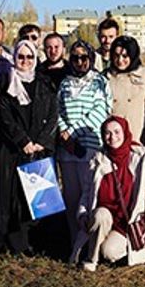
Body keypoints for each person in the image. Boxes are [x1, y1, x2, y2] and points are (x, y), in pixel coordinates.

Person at [0, 39, 58, 254]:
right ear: (14, 58)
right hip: (13, 149)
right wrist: (23, 141)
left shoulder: (45, 84)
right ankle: (11, 242)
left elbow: (53, 115)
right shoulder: (6, 84)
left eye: (30, 57)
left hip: (38, 150)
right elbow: (4, 116)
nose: (25, 61)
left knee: (38, 199)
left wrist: (40, 142)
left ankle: (36, 242)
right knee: (11, 198)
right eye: (20, 56)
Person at [78, 116, 145, 271]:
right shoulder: (98, 159)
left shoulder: (140, 160)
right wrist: (82, 213)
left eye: (117, 132)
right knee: (100, 214)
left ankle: (103, 247)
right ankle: (91, 260)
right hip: (103, 218)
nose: (112, 137)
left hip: (126, 223)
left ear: (125, 132)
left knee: (109, 252)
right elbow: (87, 191)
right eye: (107, 133)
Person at [56, 39, 113, 261]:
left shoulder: (99, 81)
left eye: (84, 57)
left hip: (90, 146)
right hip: (67, 150)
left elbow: (100, 111)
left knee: (88, 198)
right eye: (75, 58)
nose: (80, 62)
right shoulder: (65, 83)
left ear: (90, 58)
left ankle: (90, 245)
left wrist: (72, 132)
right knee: (71, 199)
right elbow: (58, 110)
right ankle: (74, 245)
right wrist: (64, 133)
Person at [104, 35, 145, 143]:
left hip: (137, 137)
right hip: (113, 139)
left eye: (125, 56)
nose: (120, 60)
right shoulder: (106, 77)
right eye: (116, 55)